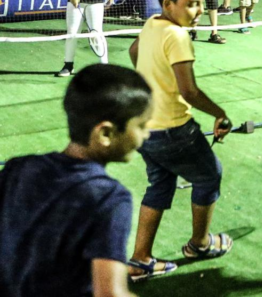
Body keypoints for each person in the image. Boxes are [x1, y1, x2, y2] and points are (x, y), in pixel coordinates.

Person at [0, 64, 152, 297]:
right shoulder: (109, 198)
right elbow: (109, 293)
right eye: (141, 126)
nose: (146, 134)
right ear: (105, 134)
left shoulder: (17, 168)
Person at [127, 0, 234, 281]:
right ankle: (200, 244)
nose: (198, 10)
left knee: (159, 186)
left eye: (201, 2)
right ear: (168, 4)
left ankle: (139, 259)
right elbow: (188, 90)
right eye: (191, 4)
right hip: (175, 130)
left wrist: (153, 82)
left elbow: (134, 51)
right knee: (209, 175)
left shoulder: (152, 24)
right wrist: (220, 114)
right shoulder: (176, 35)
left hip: (146, 127)